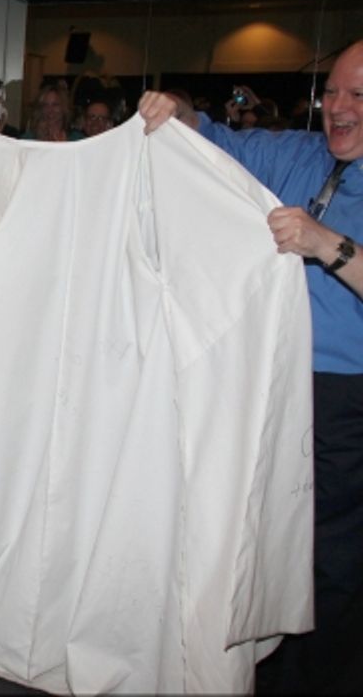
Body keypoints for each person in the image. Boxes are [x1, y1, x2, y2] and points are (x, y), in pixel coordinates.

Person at [138, 39, 362, 693]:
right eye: (332, 93)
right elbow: (204, 139)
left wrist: (326, 244)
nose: (338, 108)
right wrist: (172, 109)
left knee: (331, 562)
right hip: (265, 383)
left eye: (357, 96)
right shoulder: (298, 155)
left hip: (343, 399)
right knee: (263, 548)